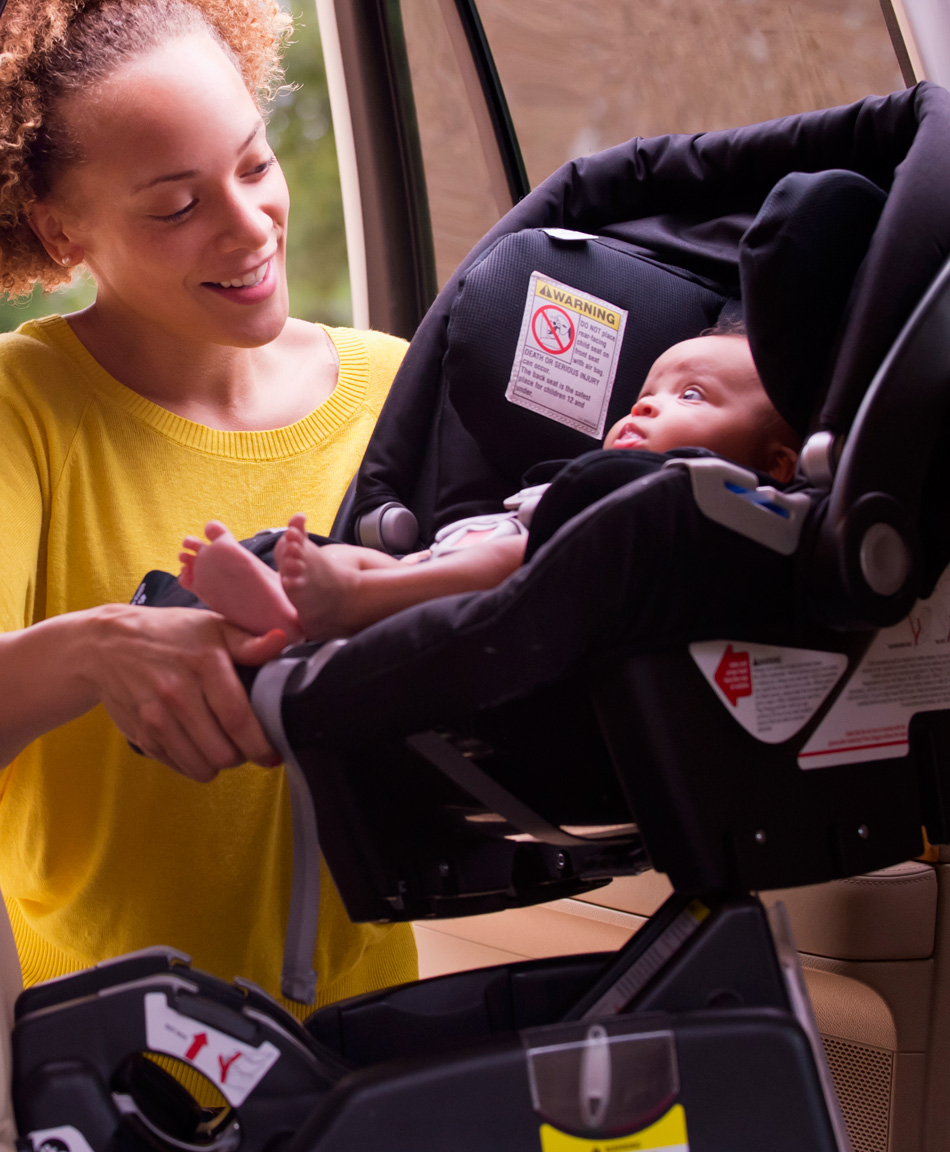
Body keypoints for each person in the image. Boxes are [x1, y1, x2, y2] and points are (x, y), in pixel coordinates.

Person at [0, 0, 416, 1019]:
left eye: (256, 163)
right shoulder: (25, 410)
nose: (247, 223)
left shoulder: (398, 388)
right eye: (176, 206)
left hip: (377, 1045)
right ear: (62, 231)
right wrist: (99, 649)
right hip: (114, 1065)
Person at [177, 331, 801, 642]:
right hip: (479, 543)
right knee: (359, 553)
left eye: (691, 395)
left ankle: (348, 602)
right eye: (644, 394)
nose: (644, 408)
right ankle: (282, 597)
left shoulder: (730, 506)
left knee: (509, 558)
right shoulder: (621, 472)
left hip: (528, 565)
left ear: (775, 463)